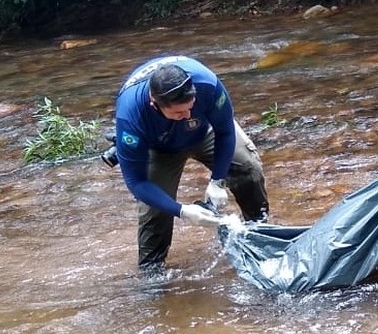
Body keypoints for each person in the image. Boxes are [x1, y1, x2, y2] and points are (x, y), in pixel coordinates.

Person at [113, 54, 269, 271]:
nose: (187, 115)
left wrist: (218, 180)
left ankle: (261, 233)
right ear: (154, 104)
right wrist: (182, 211)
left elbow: (224, 131)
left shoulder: (207, 84)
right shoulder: (130, 117)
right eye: (178, 111)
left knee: (249, 168)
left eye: (190, 107)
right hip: (159, 148)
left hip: (206, 131)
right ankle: (152, 274)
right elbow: (136, 182)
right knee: (155, 210)